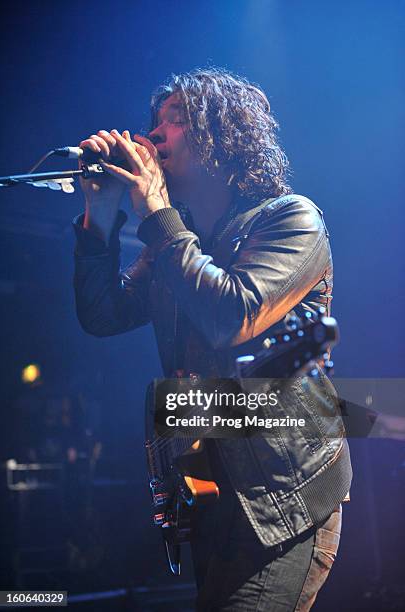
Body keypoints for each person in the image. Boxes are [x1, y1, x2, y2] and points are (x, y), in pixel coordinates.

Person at [73, 68, 352, 611]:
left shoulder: (292, 220)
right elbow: (103, 315)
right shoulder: (178, 243)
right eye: (155, 122)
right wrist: (101, 218)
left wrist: (156, 210)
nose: (154, 135)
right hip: (210, 490)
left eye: (176, 121)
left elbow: (233, 316)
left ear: (223, 138)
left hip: (283, 499)